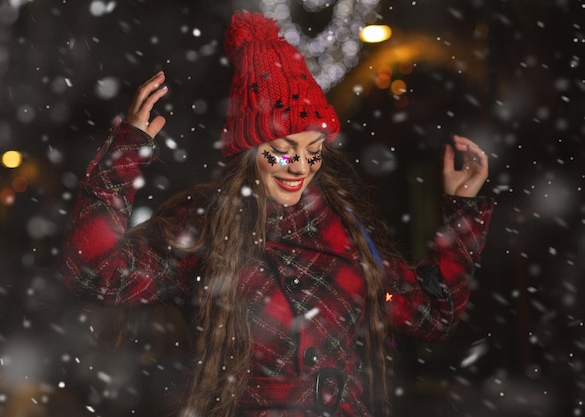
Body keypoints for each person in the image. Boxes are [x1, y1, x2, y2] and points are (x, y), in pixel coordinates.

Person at [60, 10, 493, 417]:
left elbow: (434, 314)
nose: (301, 168)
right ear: (250, 152)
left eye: (314, 151)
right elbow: (95, 272)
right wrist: (124, 155)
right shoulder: (203, 226)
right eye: (284, 154)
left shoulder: (345, 233)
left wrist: (463, 212)